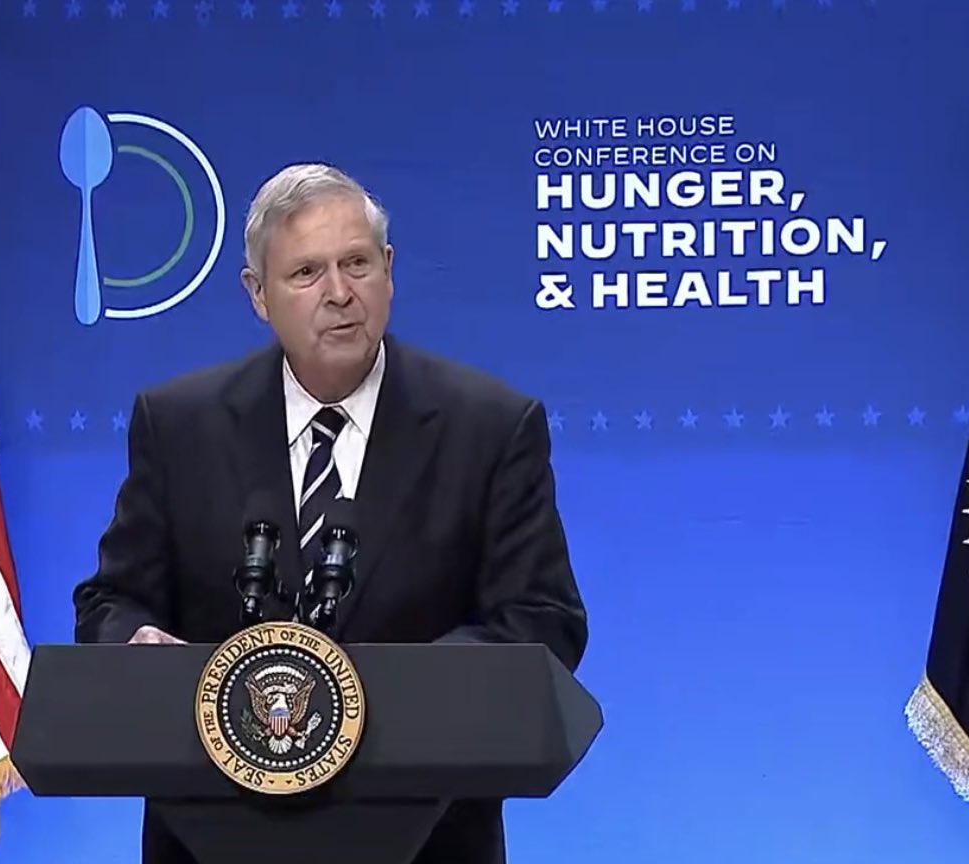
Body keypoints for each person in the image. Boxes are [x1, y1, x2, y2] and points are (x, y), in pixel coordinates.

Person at [71, 163, 588, 864]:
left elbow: (543, 621)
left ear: (390, 271)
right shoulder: (177, 425)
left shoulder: (490, 428)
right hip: (210, 834)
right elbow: (112, 599)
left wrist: (396, 694)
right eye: (307, 272)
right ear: (258, 295)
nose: (340, 294)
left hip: (429, 838)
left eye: (357, 264)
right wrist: (135, 643)